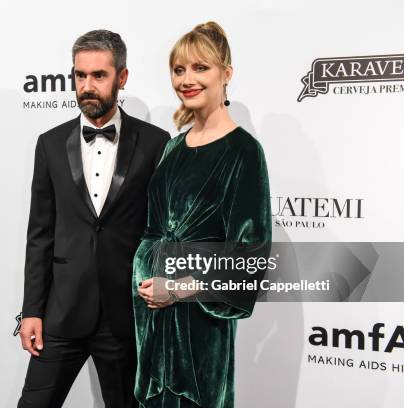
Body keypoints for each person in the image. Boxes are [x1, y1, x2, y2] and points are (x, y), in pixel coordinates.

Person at [18, 29, 171, 408]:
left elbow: (164, 226)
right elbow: (40, 234)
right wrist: (32, 310)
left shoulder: (155, 142)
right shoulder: (50, 143)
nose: (87, 85)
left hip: (125, 316)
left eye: (98, 76)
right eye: (79, 75)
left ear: (122, 78)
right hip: (61, 312)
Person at [133, 22, 272, 407]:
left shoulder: (243, 151)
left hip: (198, 321)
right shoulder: (172, 148)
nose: (187, 80)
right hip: (151, 315)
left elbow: (251, 255)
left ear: (226, 74)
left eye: (200, 68)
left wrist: (175, 290)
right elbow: (152, 228)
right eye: (179, 70)